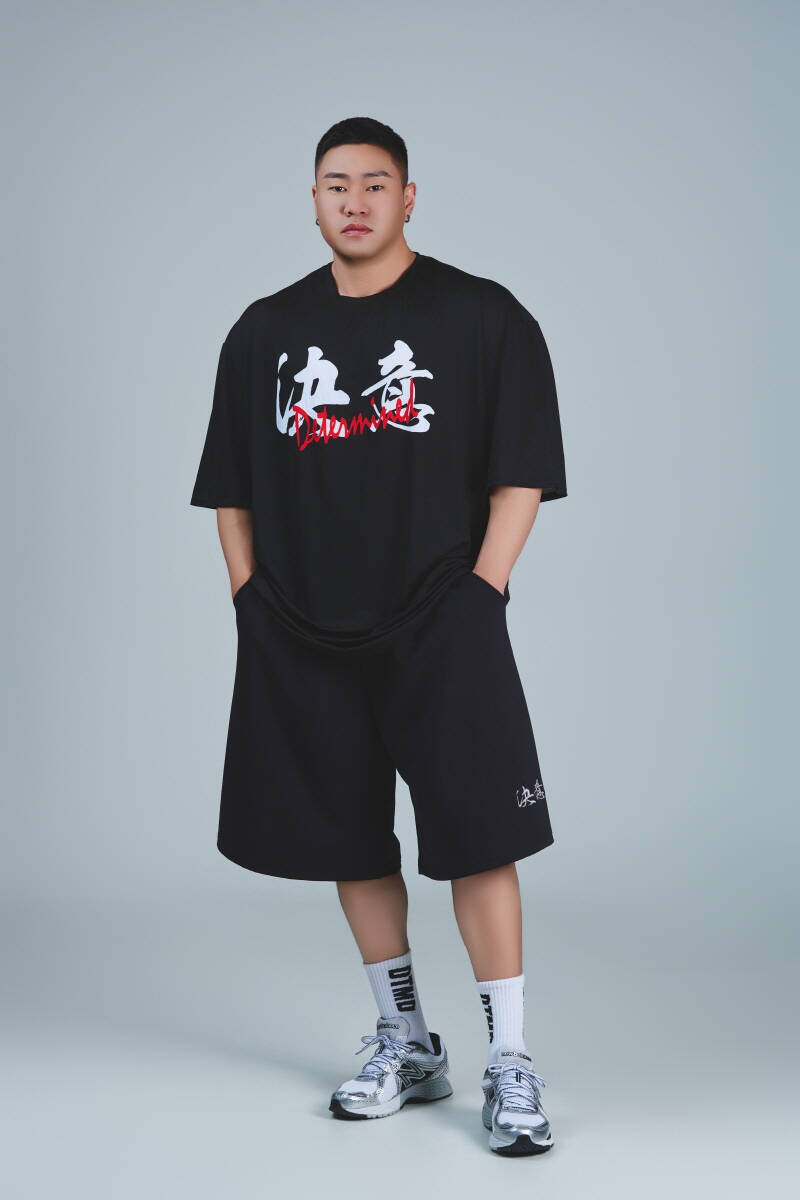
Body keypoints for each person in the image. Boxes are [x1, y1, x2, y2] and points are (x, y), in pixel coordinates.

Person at [190, 116, 567, 1157]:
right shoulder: (264, 331)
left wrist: (482, 592)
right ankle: (405, 1041)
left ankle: (509, 1059)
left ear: (408, 197)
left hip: (444, 615)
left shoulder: (480, 316)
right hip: (302, 625)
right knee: (348, 839)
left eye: (373, 183)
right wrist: (250, 600)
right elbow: (229, 488)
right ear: (311, 201)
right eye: (334, 184)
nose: (353, 201)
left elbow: (522, 471)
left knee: (479, 838)